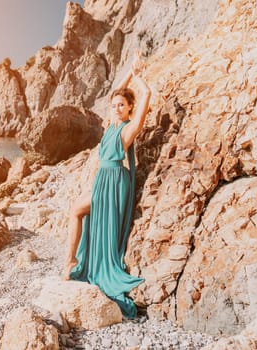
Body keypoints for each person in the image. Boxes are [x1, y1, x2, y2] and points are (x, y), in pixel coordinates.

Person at [62, 51, 151, 318]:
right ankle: (73, 261)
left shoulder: (126, 129)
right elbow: (117, 93)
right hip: (104, 179)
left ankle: (70, 262)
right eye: (114, 105)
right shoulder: (111, 124)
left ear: (129, 109)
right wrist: (128, 77)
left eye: (122, 105)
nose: (116, 107)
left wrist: (140, 76)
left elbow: (145, 97)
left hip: (115, 183)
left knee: (77, 210)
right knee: (77, 210)